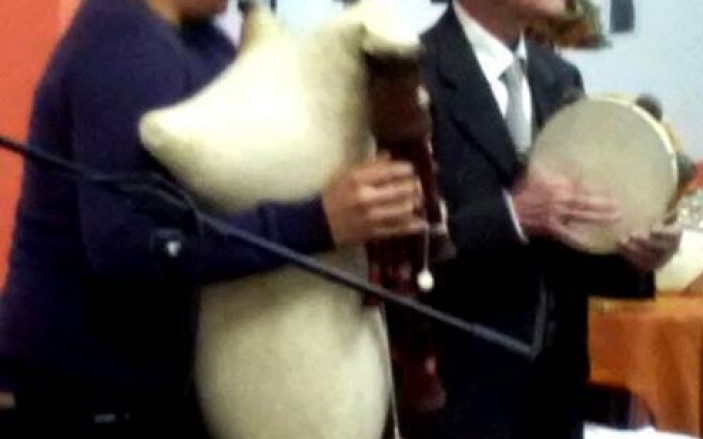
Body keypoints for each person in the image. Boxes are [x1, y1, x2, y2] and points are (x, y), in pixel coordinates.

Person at [0, 0, 424, 436]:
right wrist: (319, 221)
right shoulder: (123, 44)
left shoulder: (204, 41)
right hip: (85, 397)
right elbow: (128, 250)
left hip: (151, 392)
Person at [406, 1, 683, 438]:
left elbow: (571, 244)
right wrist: (511, 216)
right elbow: (395, 251)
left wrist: (637, 251)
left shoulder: (558, 77)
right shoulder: (411, 80)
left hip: (556, 390)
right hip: (457, 396)